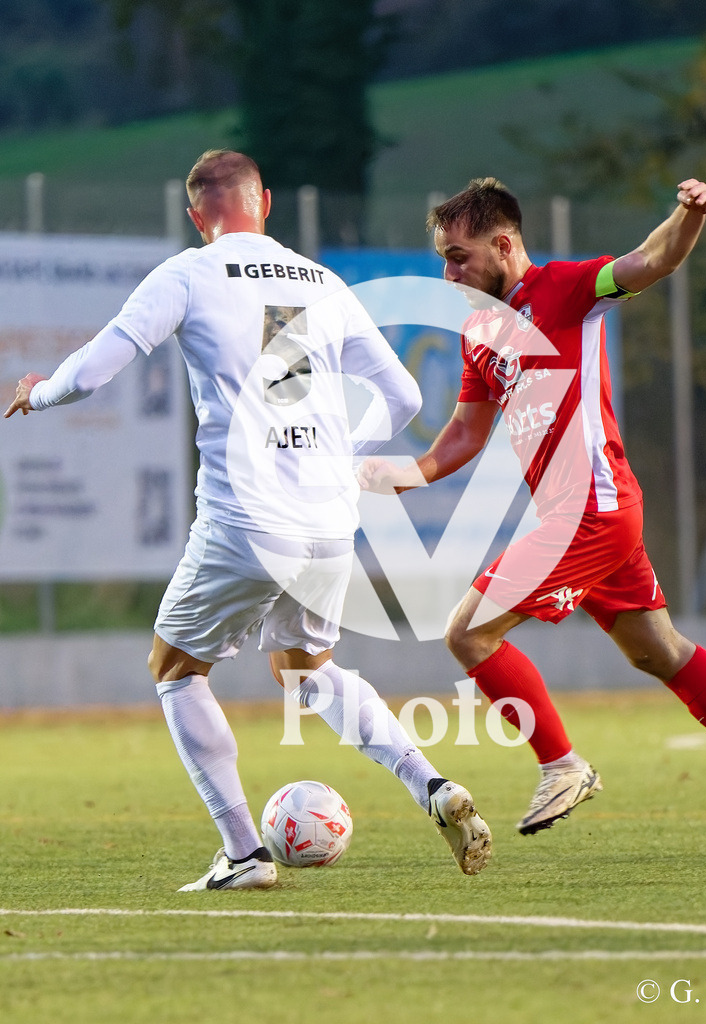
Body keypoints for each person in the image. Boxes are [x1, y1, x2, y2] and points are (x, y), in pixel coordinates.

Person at [3, 149, 491, 888]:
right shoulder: (321, 281)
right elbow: (402, 397)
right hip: (327, 519)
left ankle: (243, 853)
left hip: (245, 518)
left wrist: (37, 392)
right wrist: (340, 452)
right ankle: (431, 785)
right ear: (264, 202)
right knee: (306, 669)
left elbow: (96, 369)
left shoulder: (189, 273)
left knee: (175, 669)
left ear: (198, 217)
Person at [359, 175, 706, 854]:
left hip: (591, 511)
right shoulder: (479, 330)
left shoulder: (565, 290)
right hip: (582, 516)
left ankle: (561, 766)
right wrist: (408, 473)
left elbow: (650, 261)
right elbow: (464, 433)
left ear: (504, 244)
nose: (446, 271)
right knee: (657, 651)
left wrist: (686, 214)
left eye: (458, 256)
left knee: (467, 633)